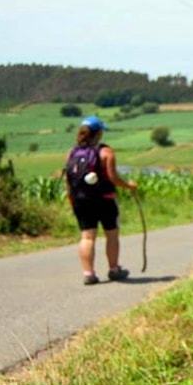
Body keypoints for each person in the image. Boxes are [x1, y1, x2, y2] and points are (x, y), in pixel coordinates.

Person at [65, 115, 137, 285]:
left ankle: (89, 274)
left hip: (81, 200)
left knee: (87, 237)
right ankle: (114, 269)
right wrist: (130, 186)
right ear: (99, 133)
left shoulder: (72, 153)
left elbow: (68, 180)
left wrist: (72, 199)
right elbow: (113, 178)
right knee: (111, 234)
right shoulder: (106, 152)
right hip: (105, 200)